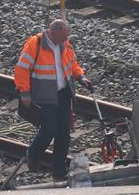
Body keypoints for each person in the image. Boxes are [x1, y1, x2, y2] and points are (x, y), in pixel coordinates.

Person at [14, 20, 91, 181]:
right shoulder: (35, 44)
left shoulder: (64, 44)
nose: (66, 39)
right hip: (44, 94)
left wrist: (81, 76)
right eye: (63, 36)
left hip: (63, 94)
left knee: (63, 133)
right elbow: (22, 68)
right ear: (53, 32)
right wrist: (24, 92)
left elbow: (72, 63)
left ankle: (59, 171)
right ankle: (33, 154)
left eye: (66, 36)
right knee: (49, 129)